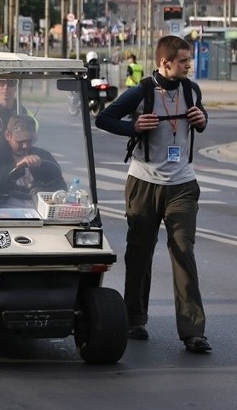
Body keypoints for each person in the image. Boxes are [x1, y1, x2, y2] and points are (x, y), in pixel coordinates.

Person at [95, 36, 211, 353]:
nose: (189, 65)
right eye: (184, 60)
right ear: (165, 62)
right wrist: (133, 127)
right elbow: (103, 118)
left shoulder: (191, 90)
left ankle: (193, 331)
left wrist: (202, 120)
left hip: (183, 184)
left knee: (183, 250)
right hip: (144, 181)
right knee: (140, 252)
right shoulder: (142, 91)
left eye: (189, 60)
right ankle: (134, 320)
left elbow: (199, 120)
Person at [0, 114, 65, 207]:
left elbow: (60, 186)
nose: (26, 146)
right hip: (5, 207)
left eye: (30, 141)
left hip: (40, 206)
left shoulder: (44, 155)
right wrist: (17, 166)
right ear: (7, 135)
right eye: (20, 141)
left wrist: (42, 169)